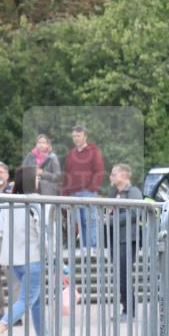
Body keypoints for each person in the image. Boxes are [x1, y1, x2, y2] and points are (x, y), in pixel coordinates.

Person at [0, 167, 42, 336]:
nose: (39, 180)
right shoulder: (37, 201)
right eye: (37, 177)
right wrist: (58, 263)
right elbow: (44, 234)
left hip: (13, 262)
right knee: (26, 300)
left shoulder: (9, 202)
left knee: (36, 301)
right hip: (33, 259)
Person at [105, 164, 143, 318]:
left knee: (124, 274)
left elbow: (135, 212)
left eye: (114, 174)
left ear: (124, 175)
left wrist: (112, 220)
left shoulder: (133, 191)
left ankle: (129, 309)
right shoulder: (114, 192)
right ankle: (126, 308)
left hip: (128, 238)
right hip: (116, 238)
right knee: (120, 274)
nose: (111, 177)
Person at [62, 125, 105, 248]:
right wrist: (64, 193)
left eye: (78, 135)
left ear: (85, 136)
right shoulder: (71, 155)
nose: (76, 138)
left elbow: (99, 171)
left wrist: (91, 188)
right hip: (73, 194)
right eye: (74, 136)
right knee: (78, 223)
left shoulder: (93, 152)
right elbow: (66, 175)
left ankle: (92, 250)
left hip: (88, 193)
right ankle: (83, 250)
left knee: (90, 222)